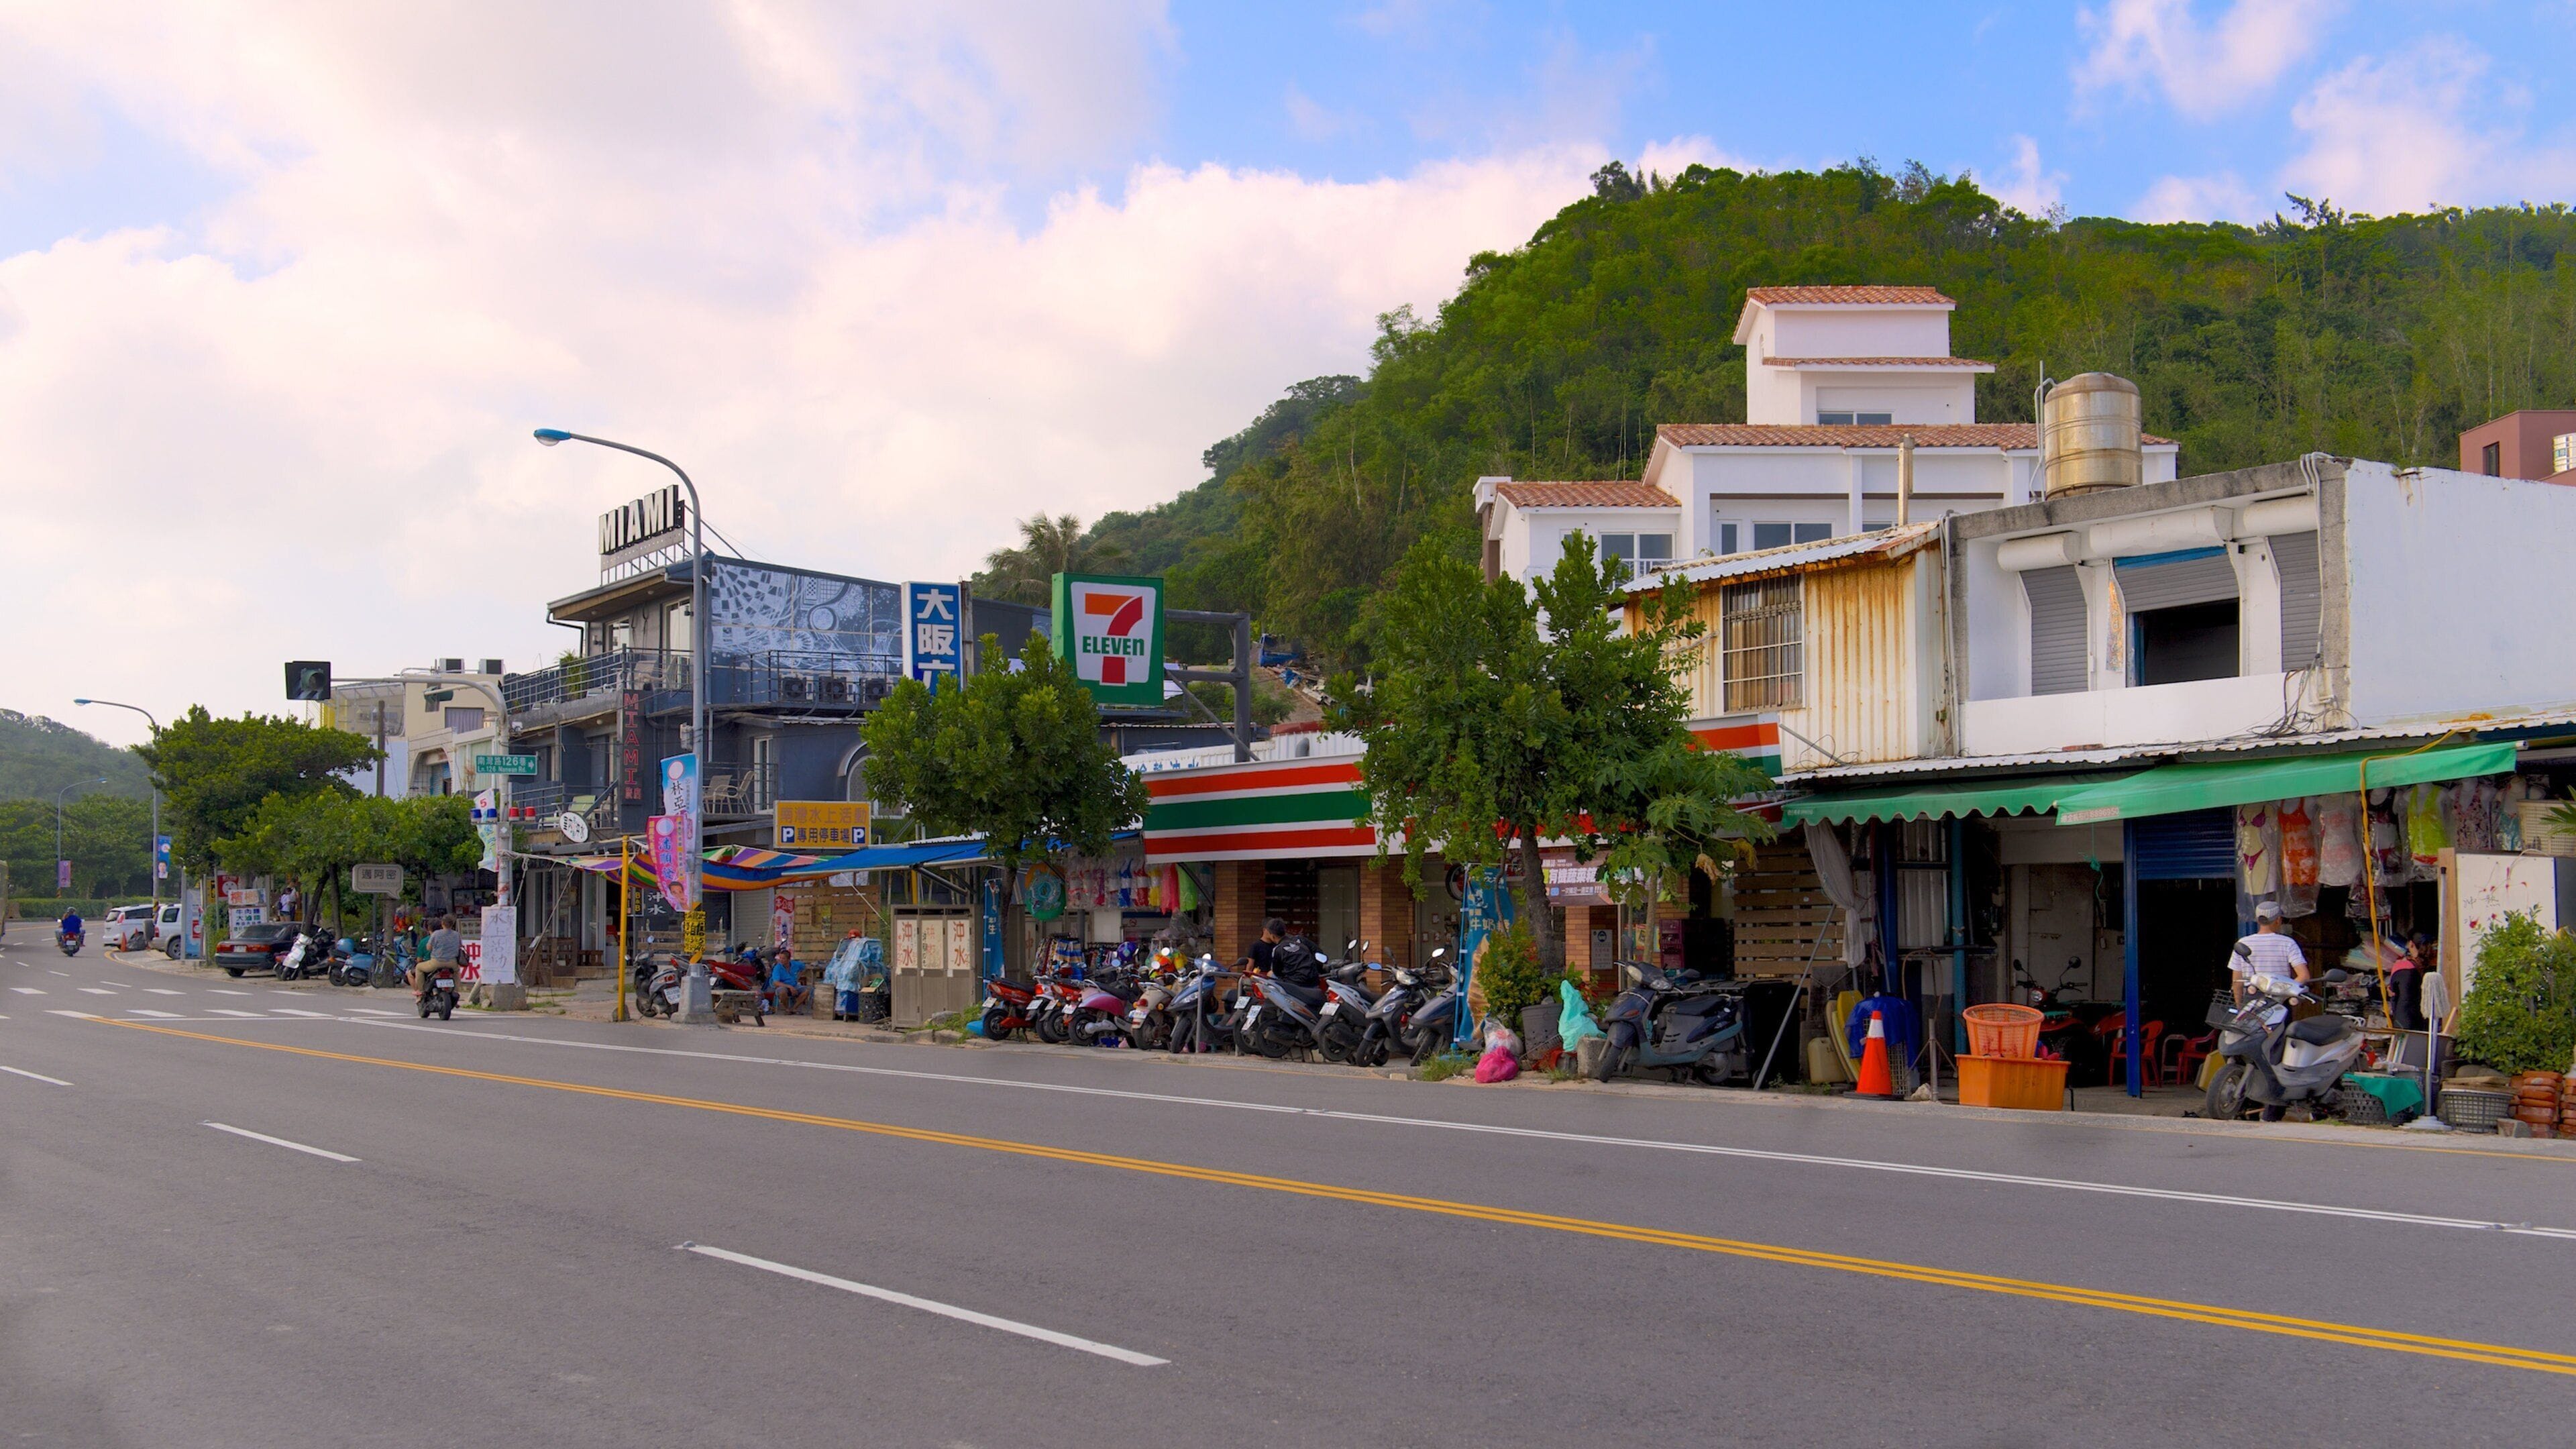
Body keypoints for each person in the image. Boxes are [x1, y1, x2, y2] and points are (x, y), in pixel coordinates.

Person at [2229, 901, 2309, 1004]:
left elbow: (2237, 981)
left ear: (2258, 921)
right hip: (2279, 1002)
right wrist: (2285, 992)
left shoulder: (2243, 943)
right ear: (2278, 920)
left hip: (2251, 1000)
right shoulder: (2288, 943)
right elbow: (2304, 976)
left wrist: (2239, 1006)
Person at [2387, 932, 2433, 1032]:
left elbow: (2392, 991)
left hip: (2404, 1019)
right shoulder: (2432, 966)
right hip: (2426, 1018)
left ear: (2411, 944)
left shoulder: (2401, 966)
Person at [419, 914, 464, 1002]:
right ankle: (456, 991)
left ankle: (421, 992)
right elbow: (460, 946)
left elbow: (429, 947)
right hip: (452, 963)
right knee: (457, 973)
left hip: (436, 962)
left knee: (418, 968)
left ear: (442, 923)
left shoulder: (436, 934)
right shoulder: (456, 935)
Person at [765, 945, 808, 1015]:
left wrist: (799, 976)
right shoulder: (778, 968)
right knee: (782, 992)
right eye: (780, 958)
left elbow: (804, 967)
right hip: (783, 986)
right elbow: (776, 983)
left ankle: (794, 1008)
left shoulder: (795, 964)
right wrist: (790, 987)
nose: (781, 960)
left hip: (794, 985)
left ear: (789, 959)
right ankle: (787, 1008)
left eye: (784, 959)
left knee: (806, 991)